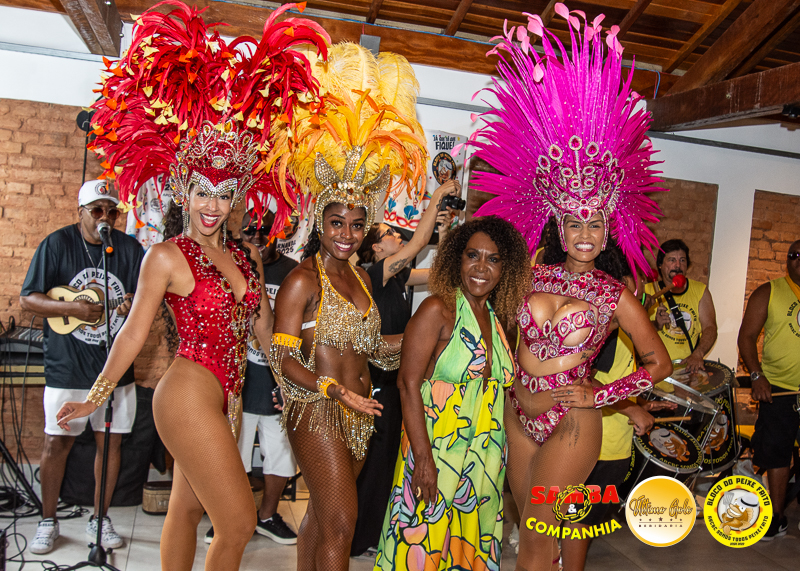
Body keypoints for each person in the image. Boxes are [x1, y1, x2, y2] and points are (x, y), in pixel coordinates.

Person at [51, 4, 328, 570]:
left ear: (236, 198)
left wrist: (295, 383)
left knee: (185, 510)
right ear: (184, 190)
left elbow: (263, 331)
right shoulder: (166, 255)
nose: (212, 205)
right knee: (238, 522)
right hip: (186, 391)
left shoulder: (246, 258)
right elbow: (133, 335)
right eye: (203, 191)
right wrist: (96, 397)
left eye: (224, 194)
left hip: (228, 394)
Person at [466, 8, 672, 569]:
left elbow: (659, 363)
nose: (584, 233)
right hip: (519, 409)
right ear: (559, 227)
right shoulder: (531, 275)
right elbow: (497, 326)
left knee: (539, 536)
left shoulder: (615, 295)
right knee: (530, 535)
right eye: (574, 222)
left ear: (607, 228)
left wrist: (601, 396)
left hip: (574, 418)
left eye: (594, 223)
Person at [268, 43, 427, 571]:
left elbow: (373, 349)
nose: (347, 234)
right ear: (320, 221)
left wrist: (423, 340)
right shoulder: (302, 279)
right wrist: (334, 391)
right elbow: (282, 357)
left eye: (358, 225)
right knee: (342, 524)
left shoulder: (359, 276)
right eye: (337, 223)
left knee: (321, 520)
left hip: (363, 414)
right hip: (318, 409)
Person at [374, 216, 530, 570]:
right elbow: (407, 384)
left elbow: (501, 393)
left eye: (493, 259)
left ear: (505, 268)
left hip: (483, 459)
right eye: (472, 255)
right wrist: (423, 459)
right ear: (457, 258)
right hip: (437, 451)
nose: (481, 267)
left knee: (467, 548)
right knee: (420, 547)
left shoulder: (498, 320)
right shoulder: (437, 309)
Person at [20, 179, 142, 555]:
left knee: (111, 443)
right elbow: (28, 299)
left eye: (112, 211)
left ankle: (99, 519)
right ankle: (48, 521)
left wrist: (133, 304)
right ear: (81, 213)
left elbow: (147, 298)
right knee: (56, 442)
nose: (105, 218)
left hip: (114, 368)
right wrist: (72, 308)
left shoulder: (129, 249)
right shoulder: (57, 244)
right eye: (97, 210)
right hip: (68, 365)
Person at [350, 179, 459, 557]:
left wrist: (445, 233)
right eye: (389, 234)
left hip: (395, 380)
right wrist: (437, 196)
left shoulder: (399, 278)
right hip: (375, 382)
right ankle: (356, 538)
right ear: (377, 248)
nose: (397, 236)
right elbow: (417, 244)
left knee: (386, 461)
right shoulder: (373, 273)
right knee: (372, 462)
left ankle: (371, 534)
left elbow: (441, 275)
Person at [204, 204, 299, 546]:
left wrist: (291, 378)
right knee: (231, 456)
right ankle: (229, 517)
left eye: (265, 230)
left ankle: (267, 516)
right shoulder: (230, 264)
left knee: (281, 456)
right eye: (250, 230)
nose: (257, 237)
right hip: (237, 380)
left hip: (276, 380)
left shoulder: (294, 273)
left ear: (278, 233)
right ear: (238, 232)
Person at [738, 239, 800, 541]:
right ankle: (776, 517)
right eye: (795, 254)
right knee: (777, 454)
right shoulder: (769, 291)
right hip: (779, 390)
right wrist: (756, 375)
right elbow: (747, 336)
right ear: (787, 260)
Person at [645, 239, 718, 373]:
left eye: (682, 260)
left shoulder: (700, 290)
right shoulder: (647, 292)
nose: (678, 265)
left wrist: (698, 353)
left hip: (687, 370)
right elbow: (634, 331)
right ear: (660, 264)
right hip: (655, 371)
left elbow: (710, 327)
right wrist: (655, 324)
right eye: (672, 260)